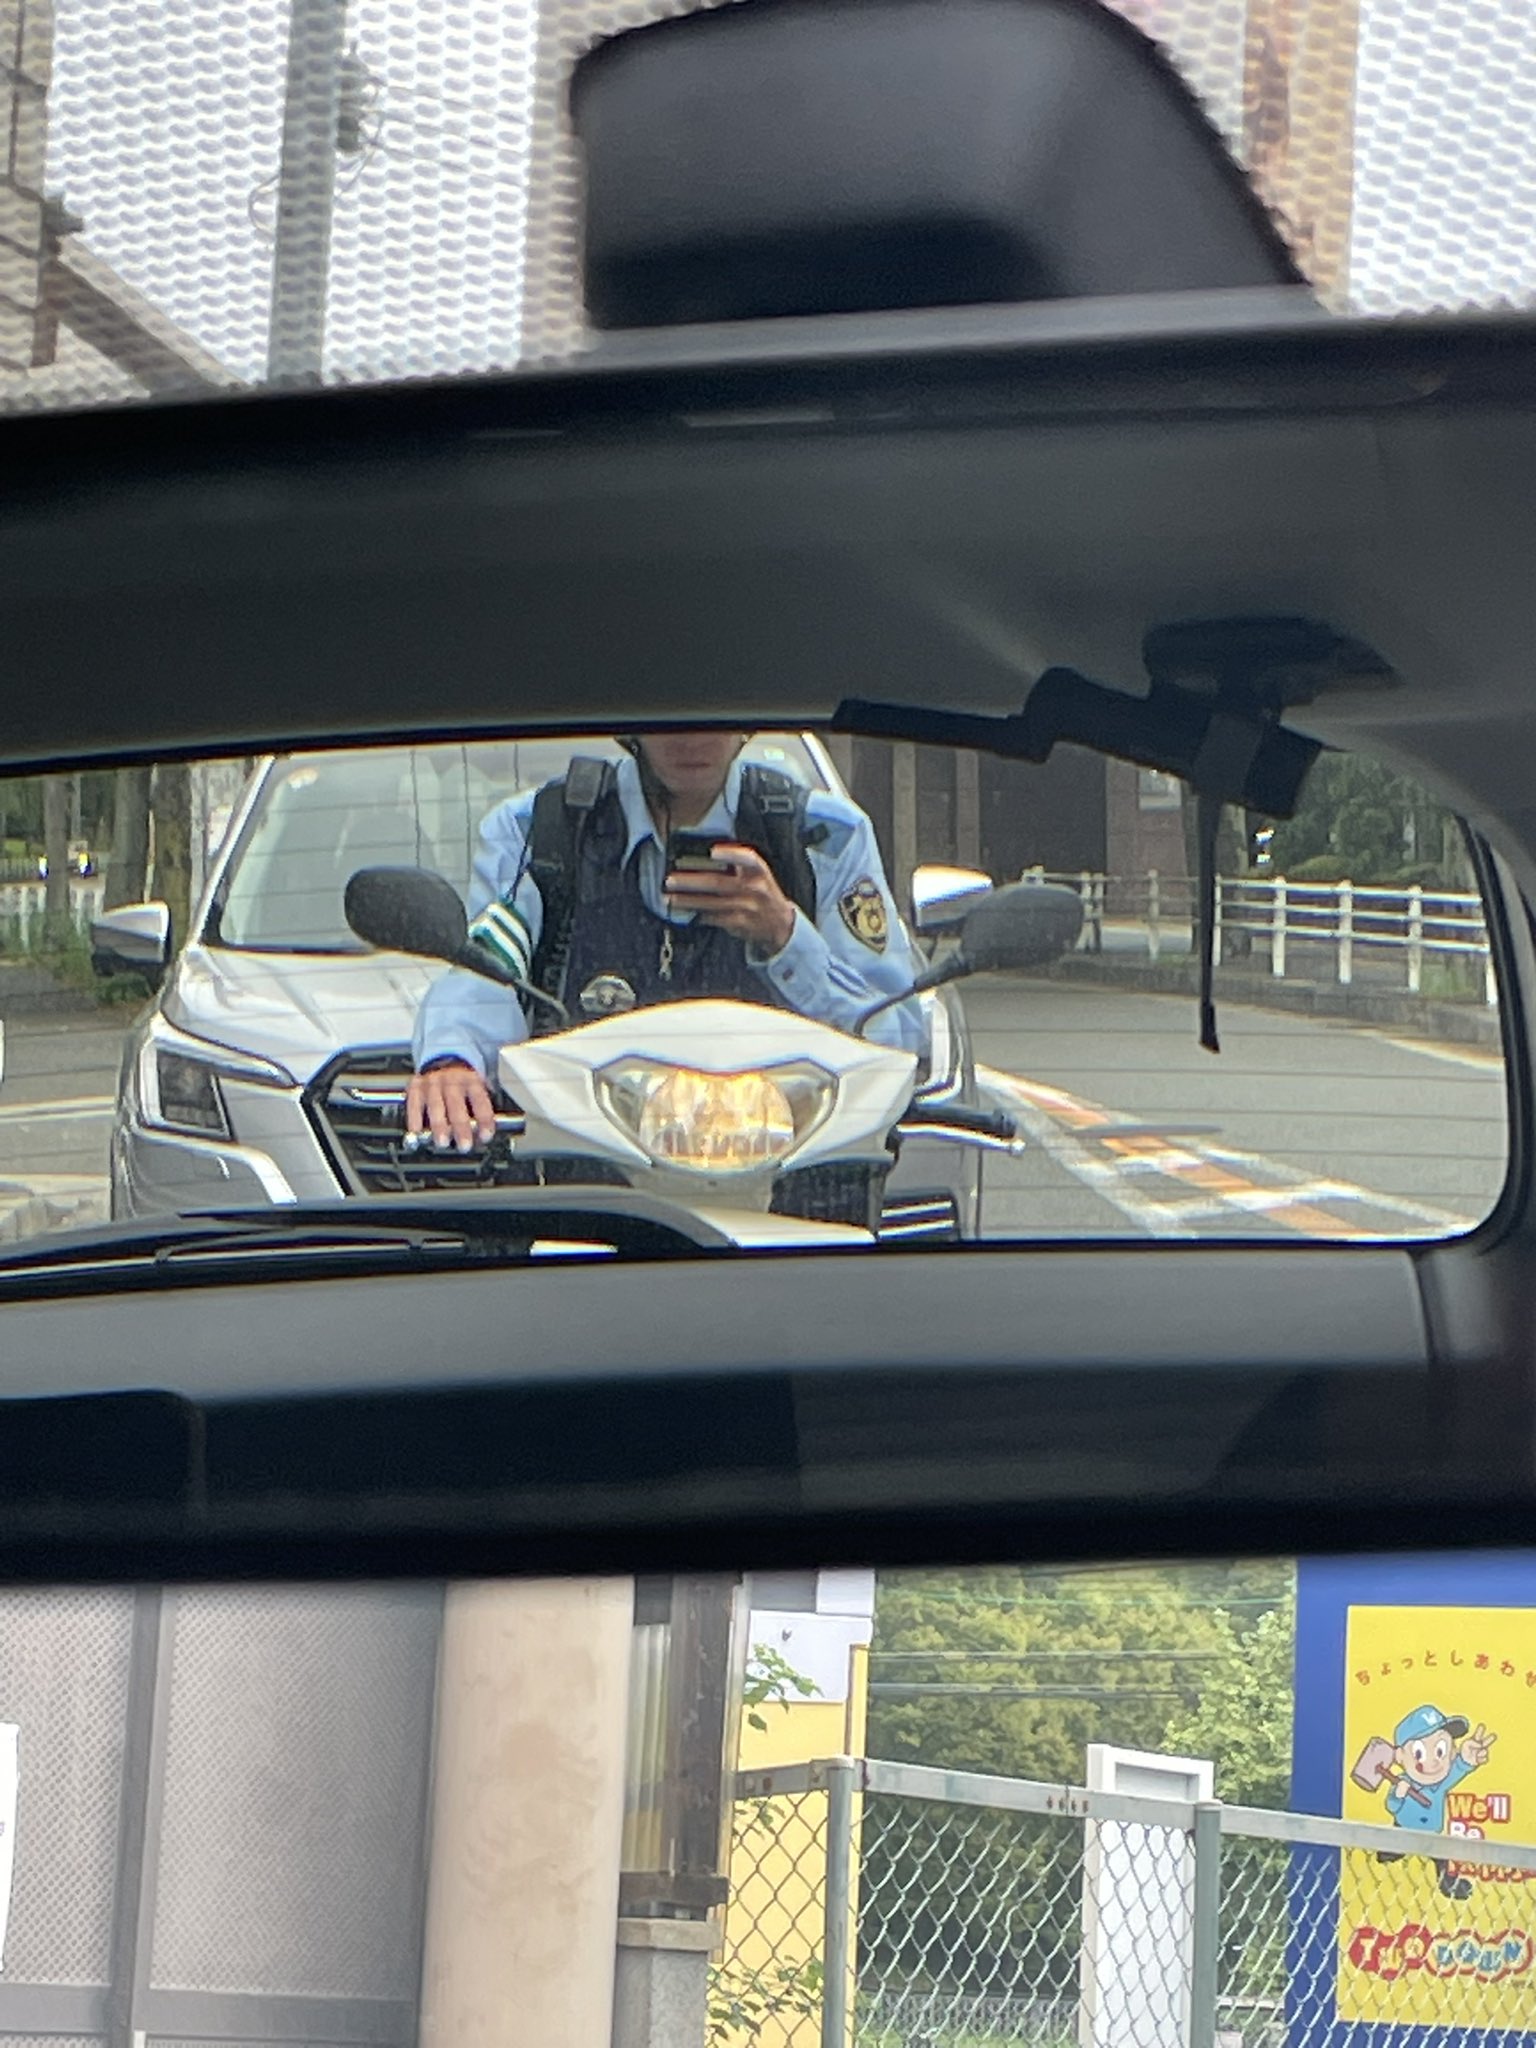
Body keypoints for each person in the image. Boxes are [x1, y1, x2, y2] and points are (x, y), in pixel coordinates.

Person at [408, 731, 924, 1152]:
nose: (692, 737)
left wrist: (784, 935)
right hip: (589, 1180)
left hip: (795, 1178)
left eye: (714, 711)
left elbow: (897, 1042)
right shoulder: (540, 830)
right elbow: (486, 970)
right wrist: (453, 1060)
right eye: (669, 715)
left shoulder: (826, 838)